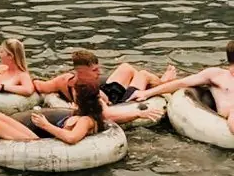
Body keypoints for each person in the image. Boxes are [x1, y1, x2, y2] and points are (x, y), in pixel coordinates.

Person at [0, 81, 106, 158]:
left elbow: (72, 138)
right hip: (46, 141)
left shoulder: (86, 120)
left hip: (45, 147)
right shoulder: (84, 114)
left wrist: (45, 125)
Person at [34, 50, 172, 124]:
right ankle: (164, 84)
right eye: (94, 71)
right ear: (81, 72)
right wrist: (139, 113)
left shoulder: (64, 79)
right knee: (143, 74)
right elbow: (107, 115)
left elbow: (39, 86)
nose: (99, 73)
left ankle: (145, 86)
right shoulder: (86, 91)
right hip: (119, 104)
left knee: (126, 68)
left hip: (106, 93)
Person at [127, 40, 234, 133]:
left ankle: (162, 79)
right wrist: (147, 93)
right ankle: (160, 80)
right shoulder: (217, 75)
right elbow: (182, 83)